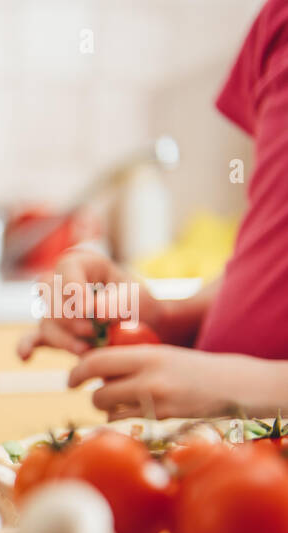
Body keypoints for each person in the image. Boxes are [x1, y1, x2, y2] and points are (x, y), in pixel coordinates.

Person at [18, 0, 288, 421]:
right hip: (218, 463)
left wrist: (239, 389)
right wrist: (167, 319)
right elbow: (274, 257)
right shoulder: (278, 20)